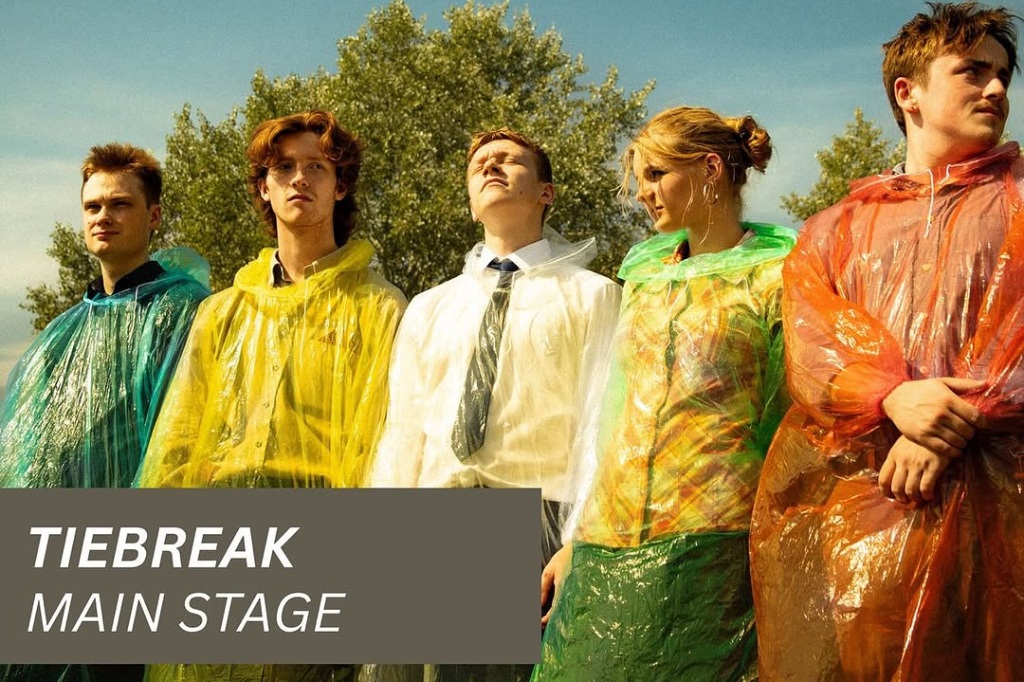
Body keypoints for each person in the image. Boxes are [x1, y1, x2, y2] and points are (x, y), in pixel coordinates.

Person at [749, 3, 1024, 679]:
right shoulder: (834, 229)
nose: (996, 89)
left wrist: (948, 424)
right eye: (973, 71)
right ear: (908, 93)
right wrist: (892, 397)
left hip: (1007, 509)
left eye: (1003, 74)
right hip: (871, 511)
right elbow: (813, 349)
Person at [139, 110, 405, 682]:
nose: (299, 179)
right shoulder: (223, 312)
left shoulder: (380, 308)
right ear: (264, 187)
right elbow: (178, 440)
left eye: (317, 166)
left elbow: (389, 447)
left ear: (341, 185)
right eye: (283, 168)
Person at [533, 106, 795, 681]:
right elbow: (616, 416)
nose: (642, 193)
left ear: (710, 169)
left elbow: (789, 420)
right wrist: (578, 538)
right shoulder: (644, 278)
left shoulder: (776, 275)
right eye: (639, 179)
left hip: (716, 544)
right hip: (610, 538)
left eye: (656, 175)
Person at [369, 128, 621, 682]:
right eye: (479, 163)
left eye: (509, 160)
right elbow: (404, 429)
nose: (491, 166)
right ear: (469, 201)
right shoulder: (430, 307)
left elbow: (602, 425)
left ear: (546, 193)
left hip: (537, 516)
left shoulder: (592, 295)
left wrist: (580, 541)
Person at [0, 143, 210, 681]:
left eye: (120, 204)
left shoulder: (180, 309)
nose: (103, 217)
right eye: (92, 206)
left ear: (153, 216)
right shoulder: (65, 331)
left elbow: (186, 436)